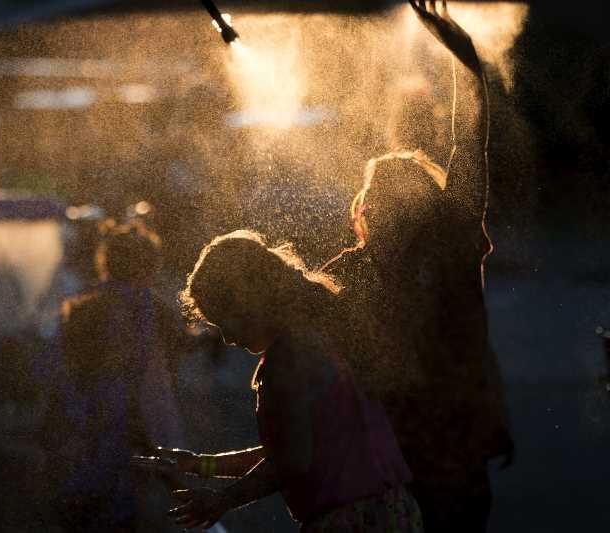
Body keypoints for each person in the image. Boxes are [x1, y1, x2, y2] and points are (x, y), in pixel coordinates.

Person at [323, 2, 513, 531]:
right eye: (377, 193)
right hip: (383, 468)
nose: (382, 202)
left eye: (394, 193)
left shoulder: (449, 245)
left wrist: (467, 65)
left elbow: (468, 143)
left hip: (446, 462)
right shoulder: (350, 269)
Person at [135, 230, 423, 532]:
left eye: (225, 320)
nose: (228, 339)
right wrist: (199, 464)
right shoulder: (321, 336)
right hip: (393, 511)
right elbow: (294, 451)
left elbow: (293, 461)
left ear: (252, 299)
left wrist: (223, 501)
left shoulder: (287, 361)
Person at [38, 220, 185, 532]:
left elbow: (54, 368)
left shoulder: (80, 305)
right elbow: (180, 346)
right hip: (135, 423)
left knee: (85, 501)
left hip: (84, 421)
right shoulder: (151, 307)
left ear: (106, 262)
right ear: (150, 265)